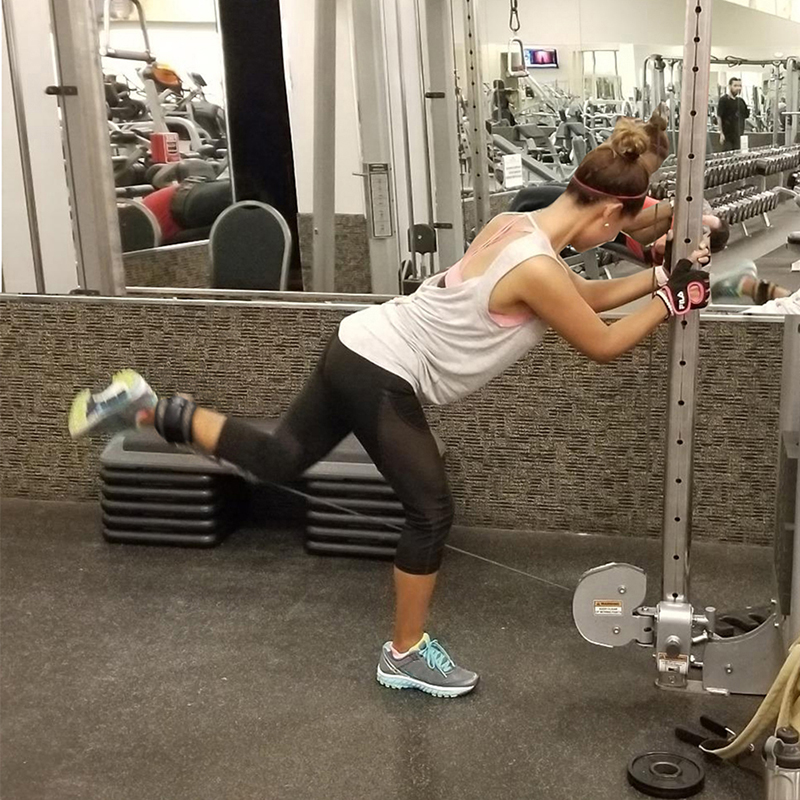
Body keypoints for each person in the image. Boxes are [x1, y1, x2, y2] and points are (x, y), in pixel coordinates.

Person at [70, 118, 711, 699]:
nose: (618, 236)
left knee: (278, 458)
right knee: (430, 512)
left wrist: (661, 280)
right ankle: (404, 653)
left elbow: (587, 295)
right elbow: (602, 344)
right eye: (620, 228)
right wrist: (672, 301)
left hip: (358, 341)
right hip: (382, 371)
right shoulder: (538, 267)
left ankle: (152, 409)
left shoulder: (514, 227)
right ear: (608, 214)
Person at [717, 78, 749, 152]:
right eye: (735, 86)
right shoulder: (723, 100)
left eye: (740, 86)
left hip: (739, 137)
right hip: (727, 137)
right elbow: (719, 117)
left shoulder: (741, 102)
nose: (738, 88)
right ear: (729, 86)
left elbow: (745, 116)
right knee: (728, 155)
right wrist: (721, 133)